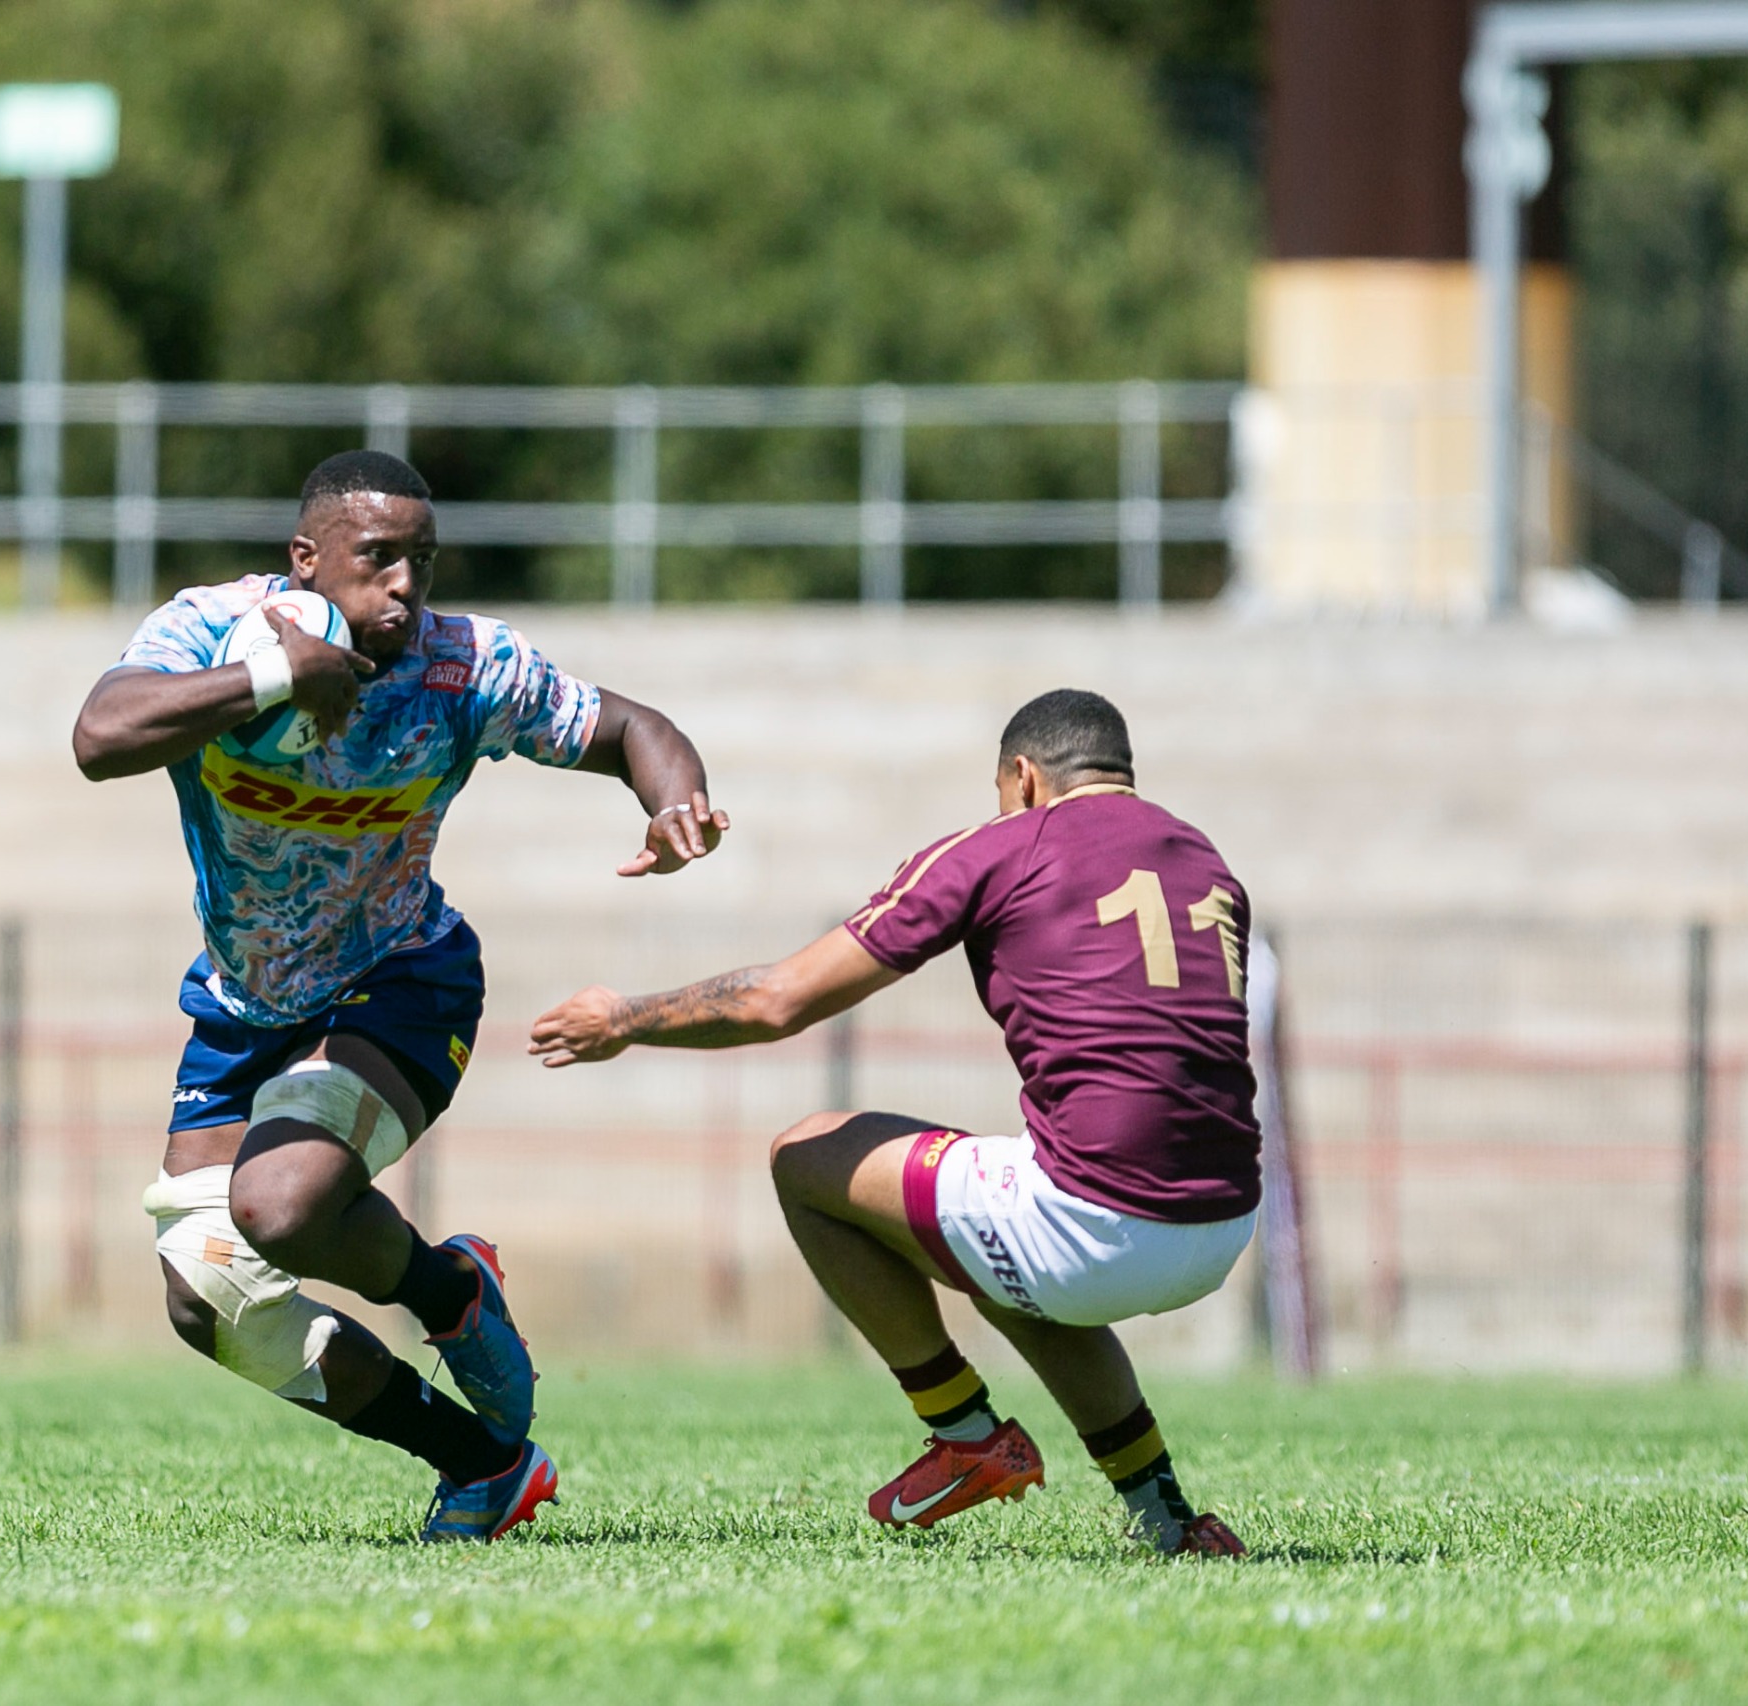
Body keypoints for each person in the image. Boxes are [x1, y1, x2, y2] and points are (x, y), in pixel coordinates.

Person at [74, 449, 728, 1542]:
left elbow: (627, 728)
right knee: (209, 1300)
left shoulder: (462, 666)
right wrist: (277, 682)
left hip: (403, 978)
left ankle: (438, 1292)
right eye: (378, 558)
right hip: (246, 1005)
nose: (406, 585)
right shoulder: (209, 628)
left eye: (421, 559)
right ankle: (481, 1462)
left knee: (276, 1207)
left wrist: (674, 801)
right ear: (306, 559)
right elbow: (101, 738)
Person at [528, 688, 1256, 1557]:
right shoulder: (1202, 857)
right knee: (1004, 1253)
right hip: (1224, 1223)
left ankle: (965, 1434)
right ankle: (1166, 1517)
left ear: (1022, 778)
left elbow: (779, 1000)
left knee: (806, 1155)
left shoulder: (1005, 844)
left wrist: (625, 1019)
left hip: (1095, 1223)